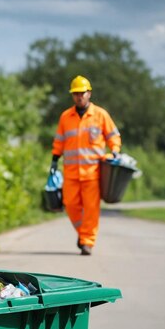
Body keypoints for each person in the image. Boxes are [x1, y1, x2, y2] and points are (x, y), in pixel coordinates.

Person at [51, 75, 121, 255]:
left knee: (91, 210)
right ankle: (83, 234)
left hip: (92, 172)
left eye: (82, 93)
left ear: (89, 93)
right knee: (70, 204)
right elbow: (59, 141)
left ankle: (87, 242)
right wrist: (54, 159)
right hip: (72, 172)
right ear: (72, 96)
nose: (79, 96)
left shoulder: (100, 115)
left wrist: (115, 149)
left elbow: (113, 135)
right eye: (76, 94)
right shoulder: (66, 117)